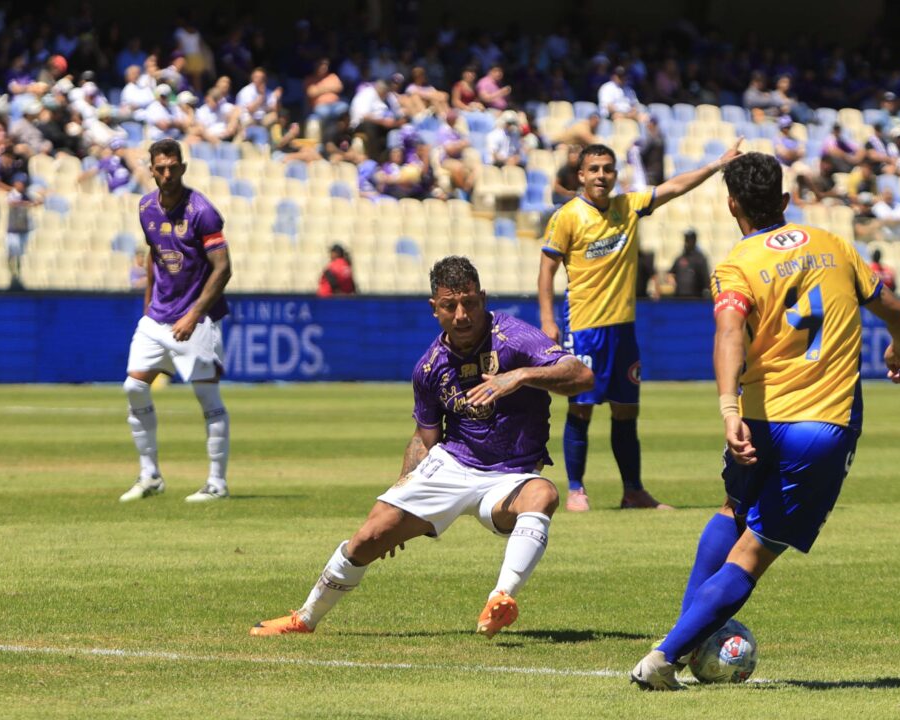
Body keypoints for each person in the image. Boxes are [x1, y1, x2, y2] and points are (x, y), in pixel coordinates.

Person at [629, 151, 900, 690]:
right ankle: (665, 656)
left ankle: (683, 641)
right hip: (822, 425)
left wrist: (728, 409)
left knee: (732, 511)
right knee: (753, 550)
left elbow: (728, 333)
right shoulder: (834, 246)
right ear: (784, 200)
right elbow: (898, 314)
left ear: (731, 205)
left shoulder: (736, 264)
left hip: (759, 418)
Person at [250, 256, 594, 638]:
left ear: (483, 298)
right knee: (369, 537)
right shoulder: (429, 367)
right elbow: (424, 437)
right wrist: (400, 495)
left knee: (544, 494)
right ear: (434, 308)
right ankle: (304, 619)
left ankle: (500, 599)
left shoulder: (515, 337)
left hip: (511, 476)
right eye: (450, 306)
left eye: (470, 303)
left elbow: (582, 375)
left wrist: (521, 376)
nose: (461, 315)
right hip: (453, 465)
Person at [538, 140, 743, 512]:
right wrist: (548, 320)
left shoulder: (628, 206)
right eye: (594, 169)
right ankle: (576, 489)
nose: (602, 175)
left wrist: (717, 165)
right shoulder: (567, 216)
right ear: (581, 175)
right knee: (581, 408)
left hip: (623, 330)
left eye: (608, 169)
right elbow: (547, 269)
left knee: (626, 410)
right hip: (584, 328)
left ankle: (633, 491)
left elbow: (675, 186)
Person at [119, 138, 233, 504]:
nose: (167, 174)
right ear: (152, 171)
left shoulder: (202, 211)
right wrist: (148, 306)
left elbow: (222, 268)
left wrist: (194, 315)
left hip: (197, 319)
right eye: (161, 168)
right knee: (134, 388)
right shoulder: (145, 207)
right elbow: (154, 256)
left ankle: (217, 483)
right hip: (157, 317)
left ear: (182, 168)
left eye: (173, 167)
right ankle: (150, 475)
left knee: (207, 396)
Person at [669, 228, 710, 298]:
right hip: (679, 297)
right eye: (686, 239)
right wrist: (672, 281)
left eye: (689, 239)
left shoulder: (700, 258)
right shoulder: (680, 258)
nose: (687, 242)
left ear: (694, 240)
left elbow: (706, 279)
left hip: (695, 298)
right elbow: (671, 274)